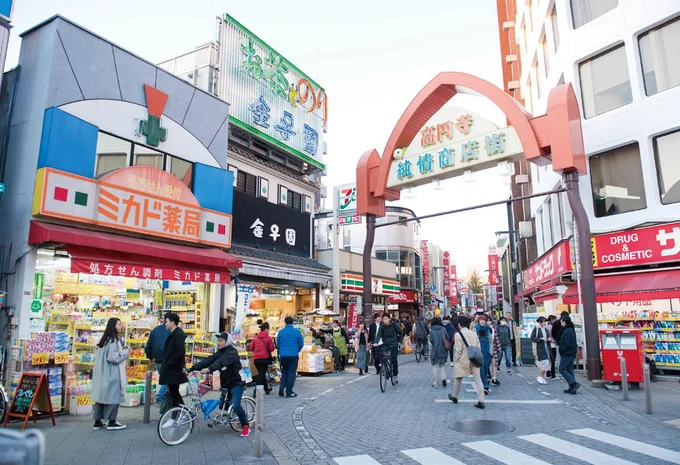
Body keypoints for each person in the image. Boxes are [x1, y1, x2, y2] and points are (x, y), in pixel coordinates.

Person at [188, 332, 251, 437]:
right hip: (226, 383)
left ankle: (245, 426)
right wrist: (193, 368)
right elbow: (209, 360)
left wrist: (209, 369)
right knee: (223, 406)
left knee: (235, 405)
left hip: (237, 383)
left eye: (221, 341)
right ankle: (236, 415)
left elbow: (221, 362)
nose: (219, 343)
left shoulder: (232, 352)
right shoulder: (220, 352)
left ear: (227, 342)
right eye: (218, 341)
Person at [91, 318, 129, 430]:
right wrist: (126, 353)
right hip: (110, 372)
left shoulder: (104, 339)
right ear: (113, 326)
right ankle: (112, 421)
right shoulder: (113, 340)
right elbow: (113, 357)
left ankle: (97, 421)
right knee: (113, 396)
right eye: (119, 324)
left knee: (100, 397)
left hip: (100, 373)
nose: (121, 326)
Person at [449, 316, 485, 409]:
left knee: (458, 378)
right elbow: (478, 346)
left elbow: (458, 349)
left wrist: (456, 359)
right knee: (478, 379)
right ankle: (481, 400)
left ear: (459, 324)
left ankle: (454, 396)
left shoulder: (458, 334)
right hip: (474, 358)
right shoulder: (473, 333)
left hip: (463, 359)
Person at [159, 312, 188, 411]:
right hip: (172, 369)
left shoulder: (178, 334)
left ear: (172, 322)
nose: (165, 324)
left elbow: (180, 352)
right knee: (174, 392)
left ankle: (178, 414)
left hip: (174, 369)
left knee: (174, 392)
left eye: (166, 321)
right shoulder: (174, 334)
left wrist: (170, 363)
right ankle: (182, 412)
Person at [145, 319, 170, 407]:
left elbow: (149, 345)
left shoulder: (155, 330)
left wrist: (150, 357)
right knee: (168, 380)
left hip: (158, 360)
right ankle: (159, 399)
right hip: (168, 359)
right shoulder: (171, 330)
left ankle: (166, 400)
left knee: (165, 380)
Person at [276, 316, 304, 397]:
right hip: (293, 355)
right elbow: (301, 344)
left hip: (283, 355)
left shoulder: (281, 332)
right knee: (291, 374)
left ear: (285, 322)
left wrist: (282, 350)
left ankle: (281, 387)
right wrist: (296, 350)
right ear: (293, 322)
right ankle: (289, 391)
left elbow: (278, 344)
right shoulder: (297, 332)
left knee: (284, 372)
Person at [249, 322, 275, 396]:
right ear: (266, 329)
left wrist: (257, 350)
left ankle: (266, 389)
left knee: (261, 374)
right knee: (261, 374)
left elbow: (251, 347)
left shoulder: (255, 338)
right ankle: (256, 390)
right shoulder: (268, 338)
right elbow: (272, 348)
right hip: (264, 359)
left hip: (256, 359)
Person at [375, 314, 403, 383]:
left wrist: (400, 342)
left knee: (394, 360)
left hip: (394, 344)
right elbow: (378, 335)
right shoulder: (382, 327)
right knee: (383, 357)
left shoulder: (394, 325)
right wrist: (375, 342)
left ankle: (395, 375)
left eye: (386, 319)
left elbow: (401, 332)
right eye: (383, 319)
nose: (384, 320)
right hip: (385, 344)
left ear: (389, 319)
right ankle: (385, 368)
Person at [559, 315, 580, 394]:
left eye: (561, 321)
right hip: (571, 353)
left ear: (564, 322)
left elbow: (567, 343)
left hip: (567, 353)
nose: (561, 322)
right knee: (569, 369)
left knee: (562, 369)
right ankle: (572, 388)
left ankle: (573, 384)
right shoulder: (571, 330)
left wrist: (561, 349)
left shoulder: (567, 331)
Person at [474, 315, 493, 395]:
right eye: (481, 320)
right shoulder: (475, 329)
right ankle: (485, 386)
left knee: (485, 369)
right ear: (478, 321)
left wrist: (491, 352)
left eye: (484, 320)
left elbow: (490, 340)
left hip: (487, 351)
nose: (482, 321)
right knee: (481, 370)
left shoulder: (488, 329)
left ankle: (485, 383)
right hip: (478, 351)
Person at [531, 317, 552, 385]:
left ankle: (542, 377)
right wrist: (540, 339)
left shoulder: (545, 329)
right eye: (543, 322)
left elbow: (548, 336)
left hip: (546, 348)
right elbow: (532, 338)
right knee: (545, 363)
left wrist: (549, 339)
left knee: (547, 364)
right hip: (539, 348)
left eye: (545, 321)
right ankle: (539, 376)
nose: (545, 323)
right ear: (540, 322)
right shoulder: (536, 329)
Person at [429, 317, 448, 387]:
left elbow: (431, 341)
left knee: (434, 366)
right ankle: (443, 378)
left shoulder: (432, 330)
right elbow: (447, 338)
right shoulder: (443, 329)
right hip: (442, 350)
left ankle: (435, 382)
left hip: (435, 351)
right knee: (442, 366)